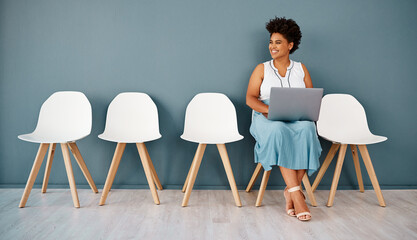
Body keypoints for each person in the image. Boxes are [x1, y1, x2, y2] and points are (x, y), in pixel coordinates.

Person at [246, 17, 322, 221]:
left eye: (278, 42)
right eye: (271, 42)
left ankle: (291, 191)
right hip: (267, 116)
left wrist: (302, 112)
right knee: (278, 130)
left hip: (296, 116)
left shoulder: (301, 68)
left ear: (290, 45)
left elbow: (310, 98)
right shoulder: (261, 68)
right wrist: (269, 110)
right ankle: (297, 195)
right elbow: (250, 98)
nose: (272, 46)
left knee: (308, 129)